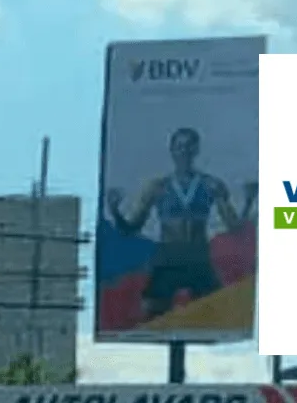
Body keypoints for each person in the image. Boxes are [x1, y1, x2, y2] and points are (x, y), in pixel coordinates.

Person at [105, 127, 256, 320]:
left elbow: (234, 227)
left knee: (216, 316)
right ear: (172, 150)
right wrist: (115, 210)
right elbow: (131, 228)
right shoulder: (157, 187)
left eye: (188, 146)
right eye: (179, 147)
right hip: (168, 257)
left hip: (198, 256)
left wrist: (249, 202)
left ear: (196, 150)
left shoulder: (211, 185)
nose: (184, 151)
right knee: (151, 317)